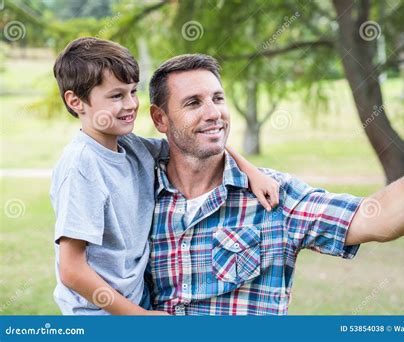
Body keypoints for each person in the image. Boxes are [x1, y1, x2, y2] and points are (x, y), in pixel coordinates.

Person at [145, 54, 404, 315]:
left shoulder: (273, 197)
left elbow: (380, 219)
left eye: (218, 98)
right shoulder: (139, 190)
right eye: (193, 103)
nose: (214, 113)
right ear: (160, 119)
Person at [50, 38, 279, 315]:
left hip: (136, 305)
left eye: (133, 92)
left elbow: (195, 141)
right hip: (98, 316)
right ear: (76, 101)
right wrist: (141, 318)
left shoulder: (132, 146)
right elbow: (71, 271)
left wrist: (249, 170)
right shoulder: (82, 166)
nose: (131, 104)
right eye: (116, 96)